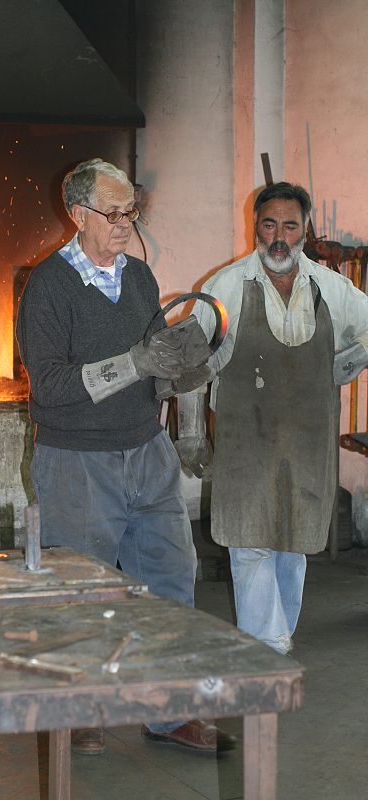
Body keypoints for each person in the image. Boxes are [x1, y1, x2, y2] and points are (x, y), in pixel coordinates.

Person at [16, 158, 233, 756]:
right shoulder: (48, 285)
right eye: (112, 213)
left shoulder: (138, 278)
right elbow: (50, 388)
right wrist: (133, 365)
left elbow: (154, 368)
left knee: (168, 578)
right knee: (78, 590)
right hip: (78, 461)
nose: (124, 223)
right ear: (78, 214)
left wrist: (189, 369)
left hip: (147, 450)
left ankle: (166, 712)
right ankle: (76, 713)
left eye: (131, 211)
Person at [176, 181, 368, 656]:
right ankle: (267, 645)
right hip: (246, 439)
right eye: (269, 224)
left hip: (308, 440)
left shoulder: (330, 286)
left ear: (304, 230)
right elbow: (189, 366)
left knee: (294, 542)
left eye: (290, 225)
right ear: (254, 227)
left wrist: (348, 362)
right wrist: (191, 434)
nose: (279, 236)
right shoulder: (224, 288)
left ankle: (277, 635)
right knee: (249, 543)